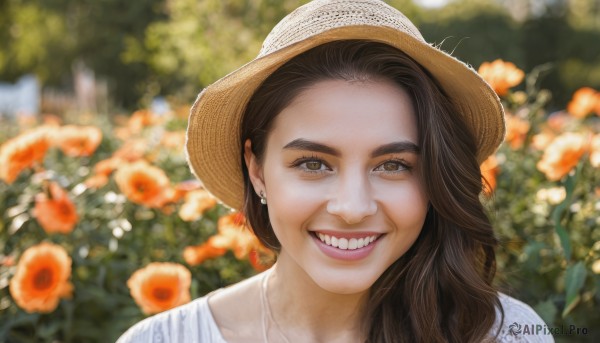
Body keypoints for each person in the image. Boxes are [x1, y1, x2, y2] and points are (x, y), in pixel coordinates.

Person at [118, 0, 553, 342]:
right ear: (257, 170)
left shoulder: (507, 334)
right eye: (312, 164)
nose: (352, 207)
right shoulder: (160, 339)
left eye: (393, 166)